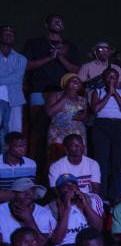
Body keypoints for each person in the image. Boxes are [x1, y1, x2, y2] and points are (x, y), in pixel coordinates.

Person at [23, 15, 80, 157]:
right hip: (39, 92)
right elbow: (25, 65)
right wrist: (50, 57)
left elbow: (77, 71)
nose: (59, 23)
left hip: (63, 94)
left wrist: (60, 58)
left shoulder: (70, 46)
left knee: (62, 134)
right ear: (46, 24)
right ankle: (36, 168)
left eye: (61, 21)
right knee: (38, 131)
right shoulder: (34, 43)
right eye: (55, 21)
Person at [90, 67, 121, 203]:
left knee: (117, 162)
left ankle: (115, 196)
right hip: (101, 126)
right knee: (101, 161)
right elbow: (96, 109)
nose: (112, 79)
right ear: (104, 79)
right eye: (109, 77)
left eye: (114, 77)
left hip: (119, 126)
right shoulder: (98, 91)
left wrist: (115, 94)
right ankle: (101, 195)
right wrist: (108, 94)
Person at [46, 174, 104, 246]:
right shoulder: (50, 208)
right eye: (66, 186)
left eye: (73, 185)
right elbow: (57, 240)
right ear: (58, 190)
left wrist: (85, 204)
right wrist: (67, 209)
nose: (71, 188)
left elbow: (98, 228)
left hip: (88, 244)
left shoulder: (91, 199)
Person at [0, 178, 57, 246]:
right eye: (23, 191)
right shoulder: (1, 211)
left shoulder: (44, 213)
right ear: (13, 194)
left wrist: (29, 220)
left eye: (32, 191)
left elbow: (43, 244)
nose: (29, 194)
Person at [44, 72, 87, 160]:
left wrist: (83, 117)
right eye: (73, 81)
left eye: (79, 82)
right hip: (59, 132)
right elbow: (49, 112)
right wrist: (66, 96)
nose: (77, 83)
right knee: (57, 157)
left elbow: (86, 118)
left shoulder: (83, 99)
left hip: (77, 132)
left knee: (77, 158)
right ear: (65, 83)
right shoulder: (55, 95)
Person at [0, 25, 27, 152]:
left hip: (14, 100)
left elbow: (16, 78)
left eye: (11, 32)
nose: (8, 34)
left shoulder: (21, 59)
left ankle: (8, 163)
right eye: (5, 31)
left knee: (13, 134)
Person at [1, 132, 37, 203]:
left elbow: (29, 188)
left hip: (22, 202)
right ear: (7, 147)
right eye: (19, 146)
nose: (23, 149)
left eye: (25, 146)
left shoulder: (30, 164)